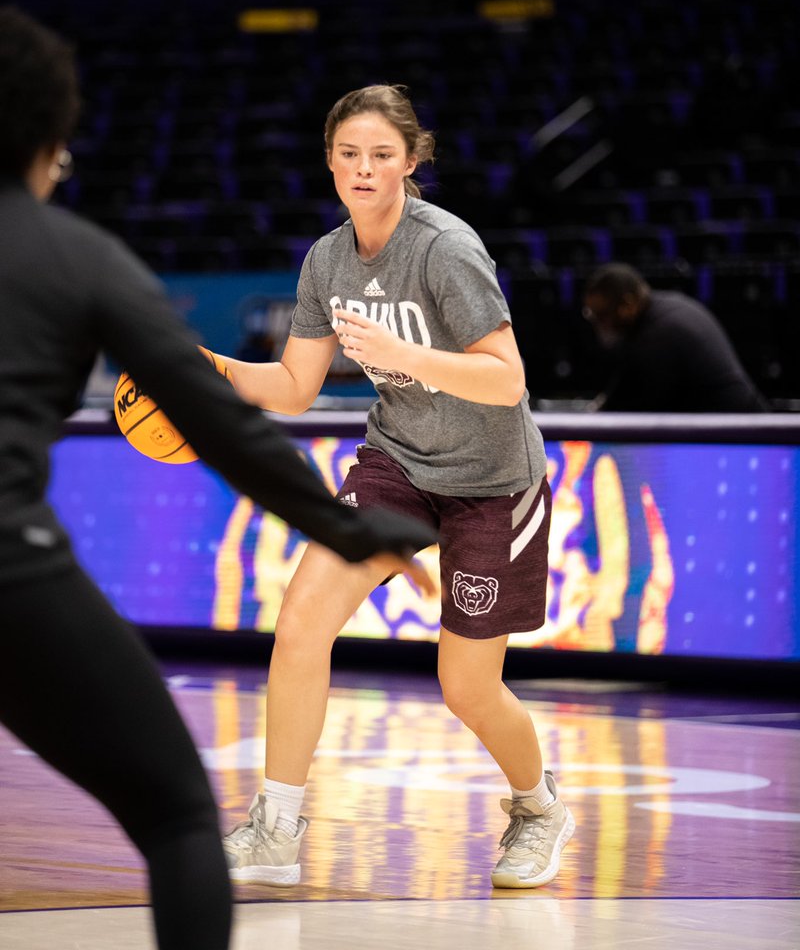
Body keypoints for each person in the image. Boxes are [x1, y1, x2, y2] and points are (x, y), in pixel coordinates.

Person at [0, 7, 438, 950]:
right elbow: (226, 431)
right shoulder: (77, 258)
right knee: (178, 821)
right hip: (11, 577)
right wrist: (353, 528)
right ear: (46, 139)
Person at [217, 83, 575, 890]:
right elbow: (294, 388)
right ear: (331, 163)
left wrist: (405, 355)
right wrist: (205, 370)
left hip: (493, 480)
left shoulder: (445, 248)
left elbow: (507, 380)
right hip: (400, 463)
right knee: (302, 619)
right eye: (349, 155)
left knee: (466, 688)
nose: (364, 169)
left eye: (382, 155)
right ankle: (277, 825)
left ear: (412, 161)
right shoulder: (327, 258)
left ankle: (539, 807)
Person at [581, 262, 771, 412]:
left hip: (744, 440)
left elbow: (622, 412)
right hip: (735, 432)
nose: (599, 325)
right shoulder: (667, 307)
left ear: (628, 304)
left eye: (602, 315)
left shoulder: (657, 337)